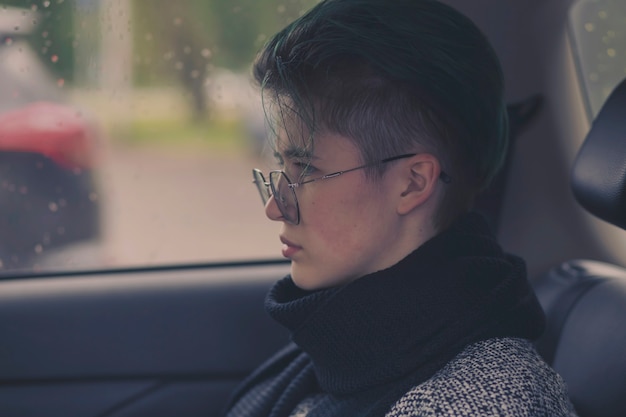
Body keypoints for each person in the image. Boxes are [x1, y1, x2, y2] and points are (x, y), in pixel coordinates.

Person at [223, 0, 578, 416]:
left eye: (306, 169)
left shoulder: (477, 403)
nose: (274, 207)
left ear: (412, 183)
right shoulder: (340, 346)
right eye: (282, 165)